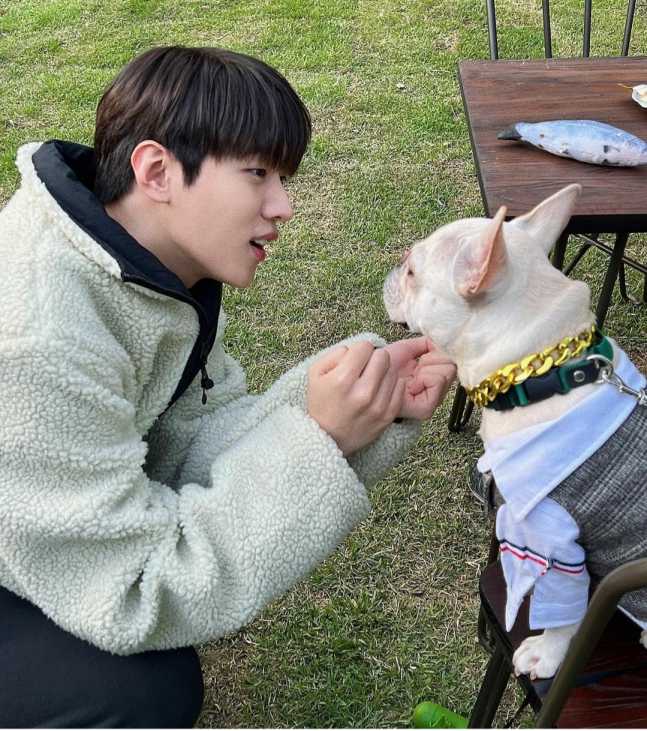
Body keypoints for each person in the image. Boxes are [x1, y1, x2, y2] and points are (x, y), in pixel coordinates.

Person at [0, 46, 456, 727]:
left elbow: (183, 445)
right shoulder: (42, 337)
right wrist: (319, 437)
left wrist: (351, 409)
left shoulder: (146, 265)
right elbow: (129, 590)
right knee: (136, 693)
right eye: (257, 173)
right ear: (157, 171)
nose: (284, 205)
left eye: (284, 177)